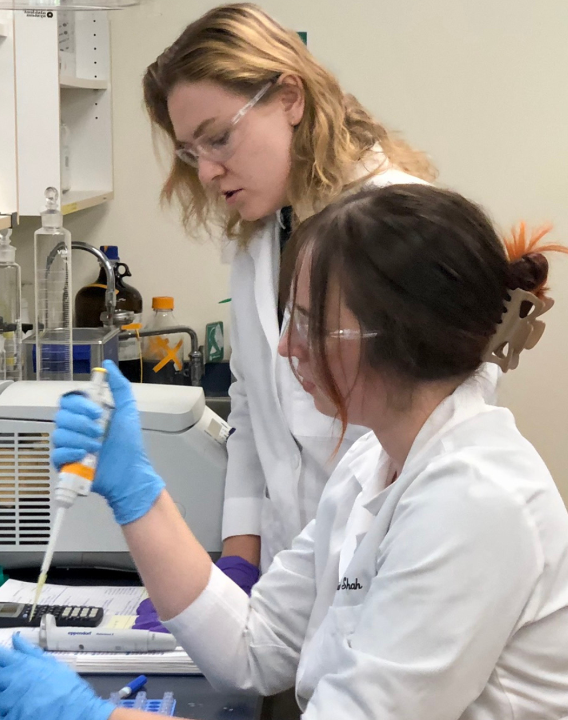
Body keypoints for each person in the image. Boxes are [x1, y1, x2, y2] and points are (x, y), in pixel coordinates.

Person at [0, 184, 568, 720]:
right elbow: (251, 649)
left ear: (401, 336)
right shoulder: (375, 464)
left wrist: (91, 718)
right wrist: (137, 494)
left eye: (310, 323)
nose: (286, 348)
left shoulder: (475, 504)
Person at [140, 3, 456, 591]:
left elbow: (446, 428)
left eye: (219, 139)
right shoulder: (264, 235)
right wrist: (239, 560)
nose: (207, 172)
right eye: (191, 152)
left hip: (395, 570)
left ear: (290, 98)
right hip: (298, 575)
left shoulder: (400, 227)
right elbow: (253, 410)